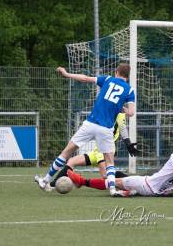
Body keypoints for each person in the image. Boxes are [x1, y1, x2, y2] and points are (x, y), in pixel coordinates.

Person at [35, 63, 135, 196]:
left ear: (116, 72)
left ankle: (45, 180)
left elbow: (85, 78)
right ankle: (112, 190)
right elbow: (131, 113)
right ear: (127, 77)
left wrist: (67, 74)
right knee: (109, 162)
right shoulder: (130, 90)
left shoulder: (107, 79)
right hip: (106, 129)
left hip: (90, 124)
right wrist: (121, 108)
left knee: (66, 153)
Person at [67, 135, 173, 198]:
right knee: (124, 185)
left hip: (146, 184)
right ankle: (128, 192)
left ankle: (82, 181)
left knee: (112, 181)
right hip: (155, 191)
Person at [44, 112, 140, 191]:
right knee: (72, 161)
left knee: (106, 176)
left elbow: (122, 128)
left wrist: (128, 143)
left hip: (106, 149)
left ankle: (132, 183)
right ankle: (53, 185)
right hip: (96, 151)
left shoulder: (119, 113)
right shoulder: (104, 110)